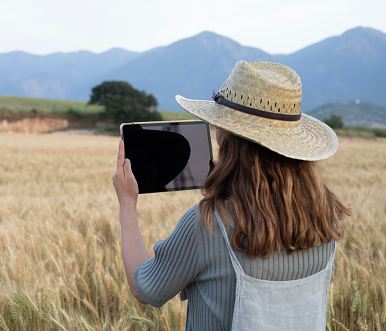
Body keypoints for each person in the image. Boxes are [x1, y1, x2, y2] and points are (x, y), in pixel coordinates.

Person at [112, 60, 351, 330]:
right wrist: (228, 193)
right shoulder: (327, 220)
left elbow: (145, 289)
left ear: (229, 137)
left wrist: (127, 204)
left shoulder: (206, 225)